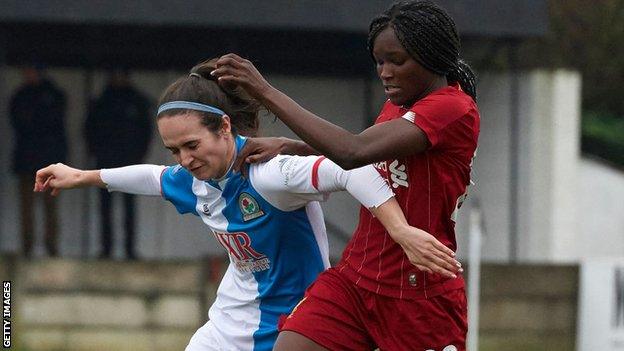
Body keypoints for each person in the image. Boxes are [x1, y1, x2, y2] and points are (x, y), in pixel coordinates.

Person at [34, 58, 461, 351]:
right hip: (227, 325)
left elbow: (353, 170)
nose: (184, 160)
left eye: (191, 145)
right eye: (174, 149)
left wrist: (400, 230)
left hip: (297, 326)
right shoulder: (193, 177)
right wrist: (81, 176)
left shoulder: (270, 172)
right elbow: (151, 177)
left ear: (223, 126)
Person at [212, 1, 480, 349]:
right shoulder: (401, 103)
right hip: (355, 280)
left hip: (419, 294)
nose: (385, 72)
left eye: (397, 61)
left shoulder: (453, 109)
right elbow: (368, 156)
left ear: (432, 56)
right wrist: (295, 145)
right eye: (379, 61)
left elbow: (352, 152)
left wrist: (263, 90)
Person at [85, 69, 152, 259]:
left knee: (129, 208)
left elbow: (145, 132)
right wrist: (96, 152)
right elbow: (90, 129)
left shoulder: (136, 101)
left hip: (129, 163)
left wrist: (139, 156)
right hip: (105, 163)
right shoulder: (102, 101)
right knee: (105, 208)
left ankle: (130, 250)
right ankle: (106, 249)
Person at [10, 65, 67, 258]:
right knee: (27, 207)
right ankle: (27, 247)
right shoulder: (21, 95)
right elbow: (17, 122)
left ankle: (51, 247)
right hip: (27, 159)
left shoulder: (53, 95)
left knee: (50, 206)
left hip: (48, 160)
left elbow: (56, 127)